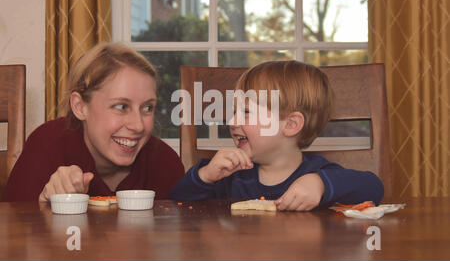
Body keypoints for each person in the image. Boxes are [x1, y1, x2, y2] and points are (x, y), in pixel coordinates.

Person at [169, 60, 384, 211]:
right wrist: (205, 176)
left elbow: (374, 188)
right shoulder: (231, 176)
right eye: (234, 111)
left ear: (291, 125)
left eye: (245, 112)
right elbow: (177, 204)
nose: (232, 121)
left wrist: (321, 185)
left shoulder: (319, 173)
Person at [2, 42, 185, 202]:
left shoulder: (166, 165)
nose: (138, 126)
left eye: (147, 108)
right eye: (121, 106)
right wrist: (43, 205)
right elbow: (15, 232)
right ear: (80, 106)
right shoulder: (46, 146)